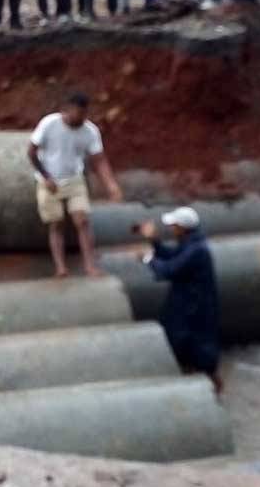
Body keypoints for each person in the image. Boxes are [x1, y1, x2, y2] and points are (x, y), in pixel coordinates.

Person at [28, 93, 123, 278]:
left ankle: (90, 265)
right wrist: (46, 176)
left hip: (74, 179)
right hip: (48, 180)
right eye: (77, 114)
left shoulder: (90, 131)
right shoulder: (49, 124)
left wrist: (111, 185)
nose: (80, 118)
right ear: (66, 110)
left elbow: (99, 160)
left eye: (84, 114)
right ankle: (61, 267)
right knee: (56, 223)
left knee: (82, 220)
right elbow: (31, 152)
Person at [139, 207, 222, 392]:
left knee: (195, 348)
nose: (171, 229)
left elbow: (169, 269)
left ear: (183, 228)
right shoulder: (191, 244)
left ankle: (208, 388)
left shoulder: (197, 250)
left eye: (174, 226)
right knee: (186, 344)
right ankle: (200, 383)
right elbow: (172, 256)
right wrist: (154, 241)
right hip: (187, 305)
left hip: (195, 309)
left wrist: (148, 259)